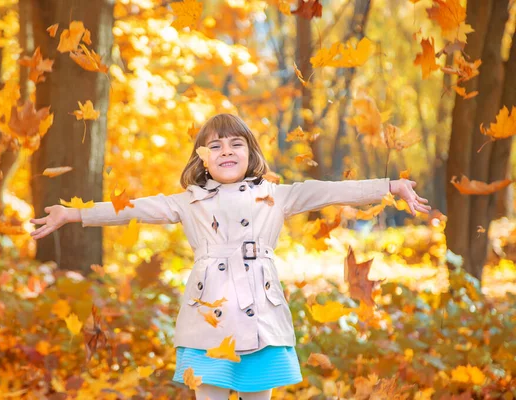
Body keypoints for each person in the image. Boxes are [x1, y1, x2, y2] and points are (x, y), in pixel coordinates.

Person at [30, 113, 431, 399]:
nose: (226, 151)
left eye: (236, 143)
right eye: (215, 146)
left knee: (259, 394)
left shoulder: (276, 195)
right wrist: (75, 213)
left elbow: (331, 191)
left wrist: (391, 185)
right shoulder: (188, 201)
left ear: (251, 153)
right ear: (201, 158)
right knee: (210, 394)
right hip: (210, 315)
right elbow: (130, 208)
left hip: (261, 311)